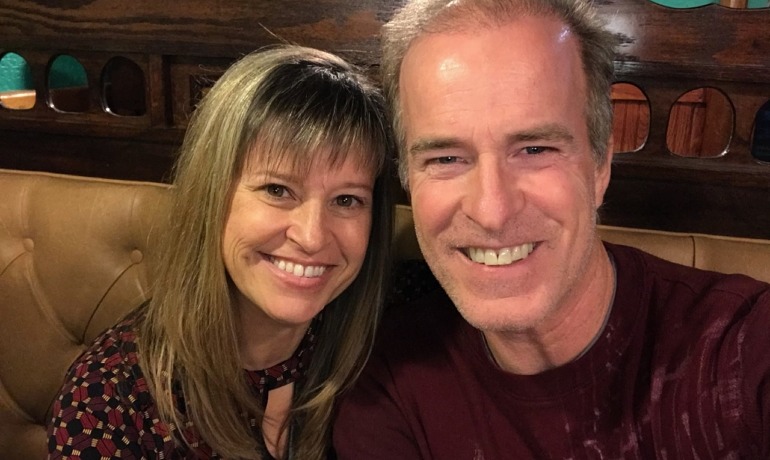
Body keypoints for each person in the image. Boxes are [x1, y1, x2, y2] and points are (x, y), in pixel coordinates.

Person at [333, 0, 770, 458]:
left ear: (600, 165)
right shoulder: (387, 385)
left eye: (535, 149)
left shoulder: (742, 348)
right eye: (445, 158)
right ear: (406, 178)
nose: (492, 211)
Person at [47, 45, 393, 460]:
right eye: (277, 190)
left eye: (347, 200)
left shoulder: (397, 325)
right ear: (211, 195)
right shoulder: (107, 406)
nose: (312, 237)